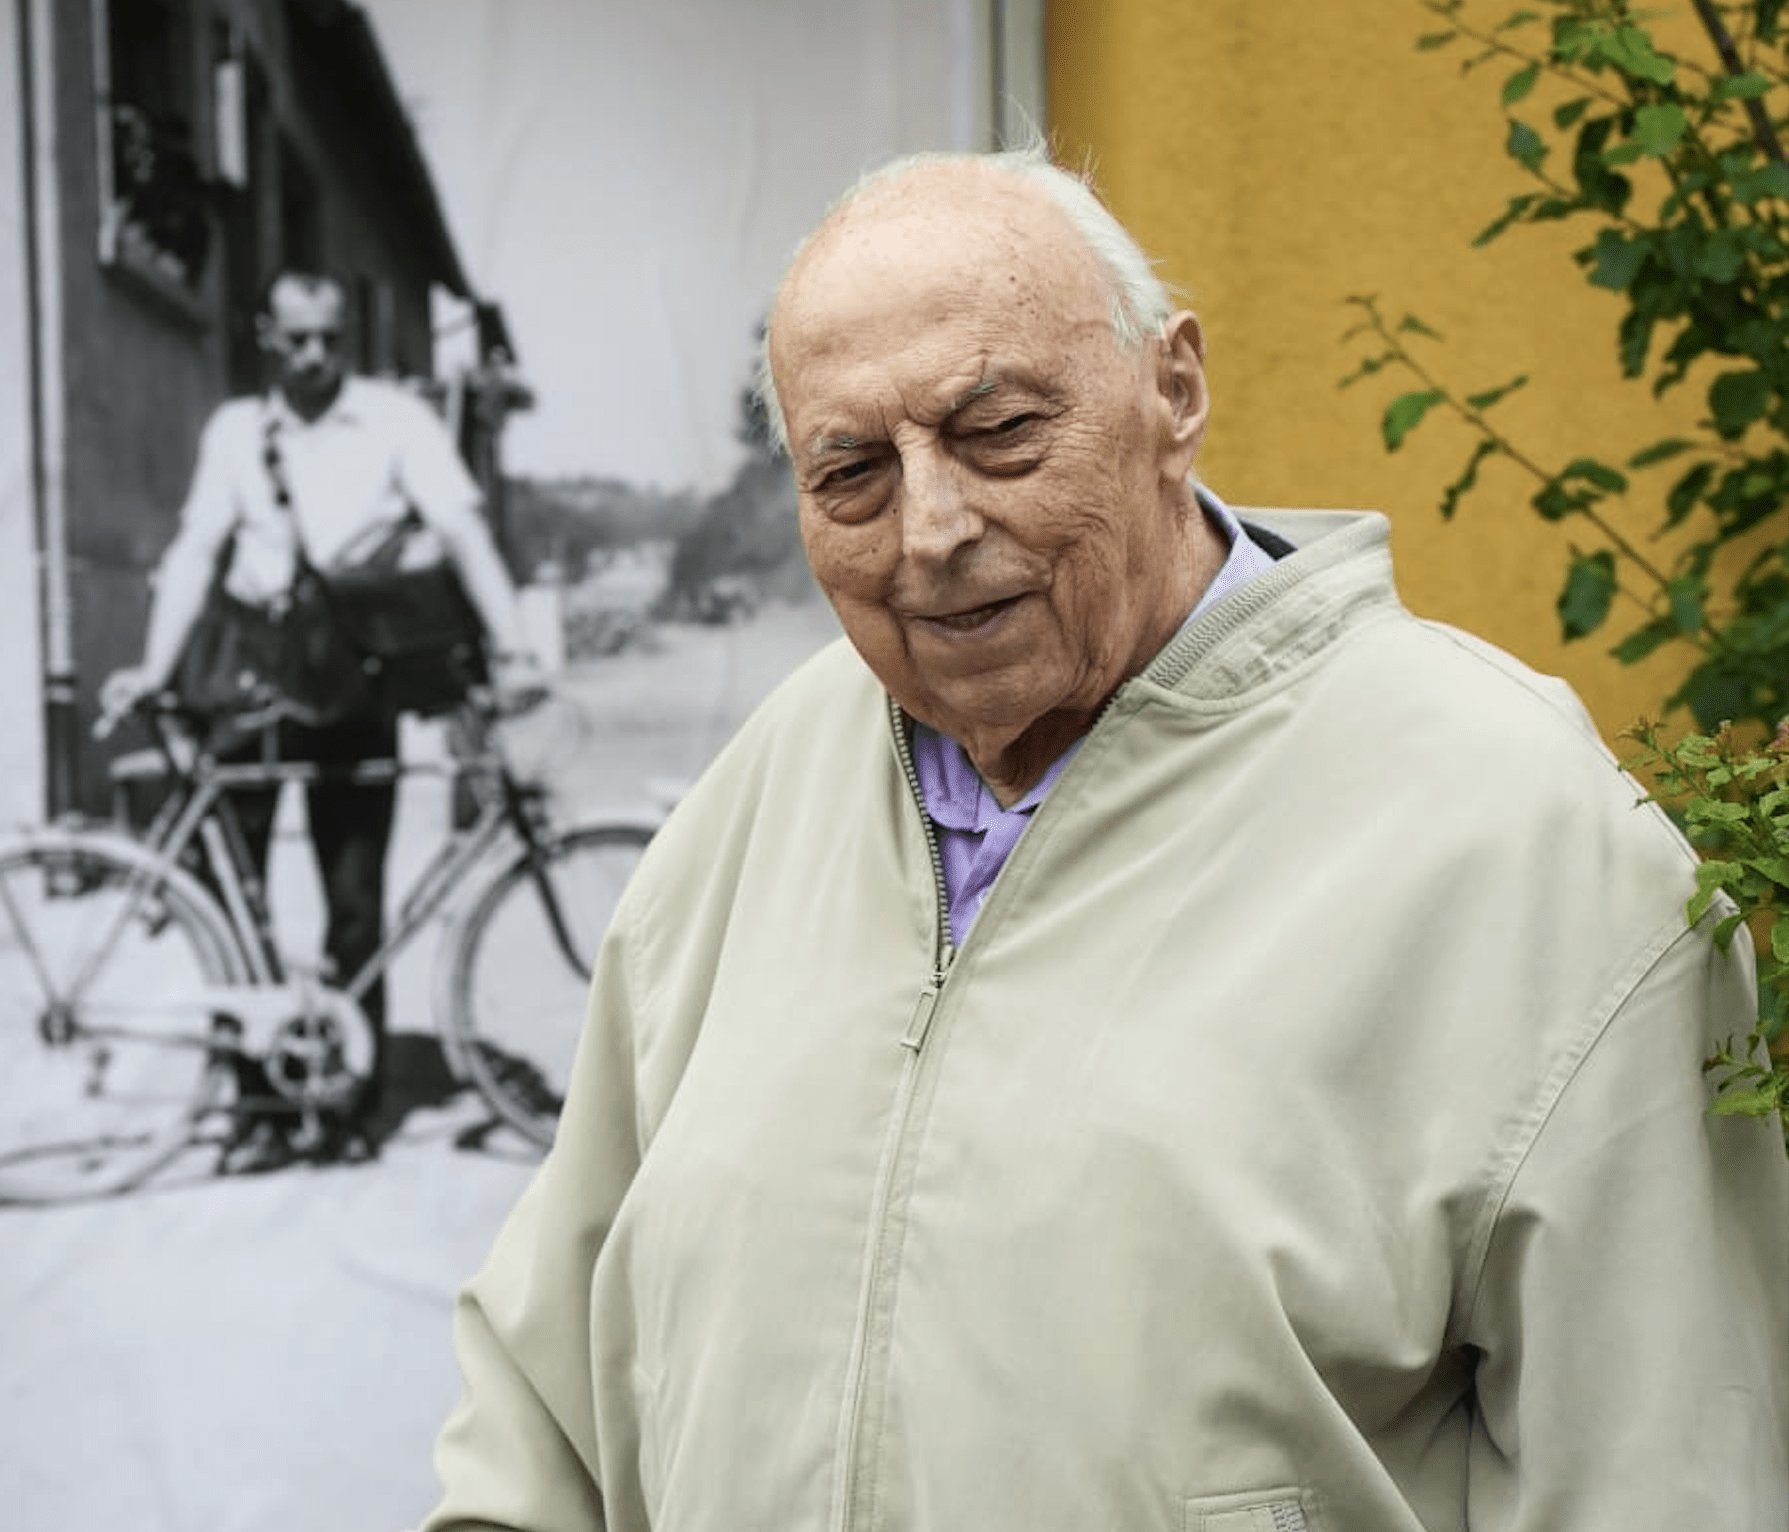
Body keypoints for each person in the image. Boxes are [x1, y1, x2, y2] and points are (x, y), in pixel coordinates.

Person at [412, 147, 1789, 1529]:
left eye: (997, 429)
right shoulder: (768, 784)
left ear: (1170, 391)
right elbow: (541, 1414)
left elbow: (1667, 1472)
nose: (929, 529)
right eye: (852, 472)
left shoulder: (1520, 833)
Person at [102, 268, 528, 1167]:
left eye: (330, 338)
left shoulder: (394, 421)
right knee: (239, 899)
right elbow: (195, 550)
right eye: (296, 338)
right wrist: (154, 666)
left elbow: (463, 531)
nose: (314, 356)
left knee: (354, 895)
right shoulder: (236, 431)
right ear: (267, 336)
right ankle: (258, 1102)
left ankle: (347, 1103)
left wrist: (516, 645)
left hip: (352, 676)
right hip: (251, 676)